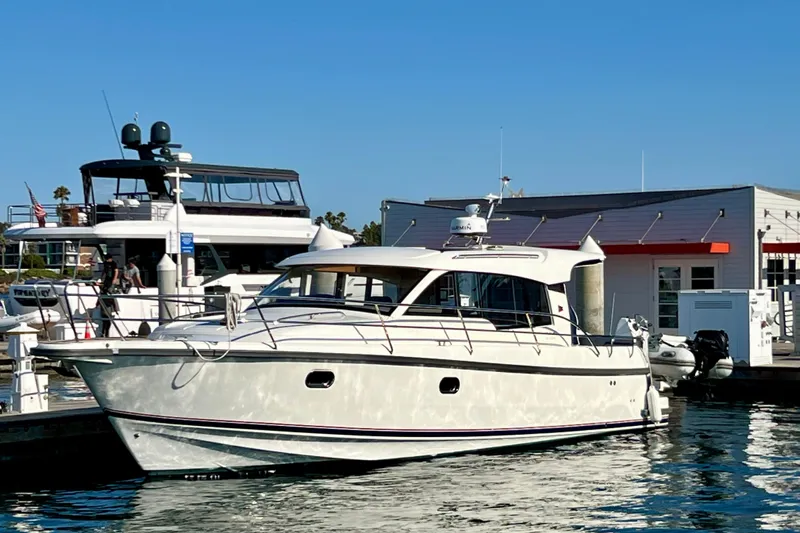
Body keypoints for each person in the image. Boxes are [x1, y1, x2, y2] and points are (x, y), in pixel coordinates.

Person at [97, 255, 120, 337]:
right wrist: (101, 279)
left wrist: (114, 279)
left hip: (110, 281)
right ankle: (104, 333)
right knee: (105, 319)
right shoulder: (105, 264)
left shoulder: (113, 264)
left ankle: (106, 333)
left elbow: (116, 271)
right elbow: (104, 272)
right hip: (106, 281)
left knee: (107, 319)